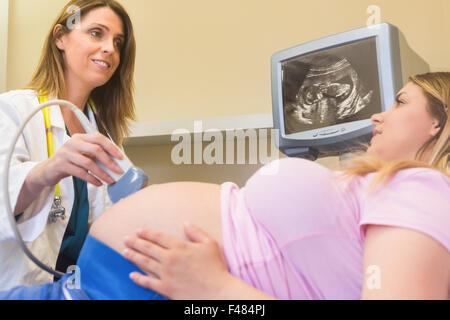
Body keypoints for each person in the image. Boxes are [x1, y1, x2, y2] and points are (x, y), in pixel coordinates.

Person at [0, 72, 448, 300]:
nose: (378, 114)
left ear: (438, 123)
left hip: (133, 284)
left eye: (400, 102)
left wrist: (217, 291)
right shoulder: (387, 193)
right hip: (100, 281)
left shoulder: (426, 188)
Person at [0, 0, 136, 290]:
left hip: (77, 290)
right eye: (97, 33)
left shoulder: (106, 138)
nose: (110, 48)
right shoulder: (13, 111)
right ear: (60, 37)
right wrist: (45, 172)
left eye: (118, 41)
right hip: (17, 288)